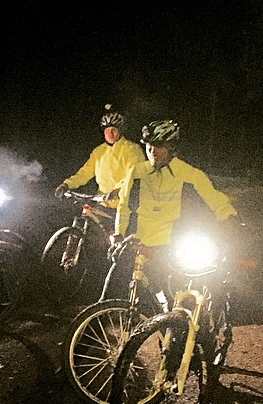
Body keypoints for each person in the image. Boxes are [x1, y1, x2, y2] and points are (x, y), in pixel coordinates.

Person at [106, 119, 242, 306]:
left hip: (173, 244)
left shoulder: (188, 173)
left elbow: (214, 198)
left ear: (171, 149)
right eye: (149, 146)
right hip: (142, 242)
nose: (152, 151)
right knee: (113, 285)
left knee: (181, 296)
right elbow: (124, 207)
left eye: (159, 146)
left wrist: (230, 217)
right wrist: (118, 234)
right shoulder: (137, 171)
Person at [53, 104, 145, 237]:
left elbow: (133, 174)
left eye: (114, 130)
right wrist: (67, 184)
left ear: (120, 131)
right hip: (102, 202)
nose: (110, 133)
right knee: (93, 235)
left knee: (121, 243)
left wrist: (117, 190)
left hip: (125, 205)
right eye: (107, 130)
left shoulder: (131, 149)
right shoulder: (99, 151)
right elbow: (85, 172)